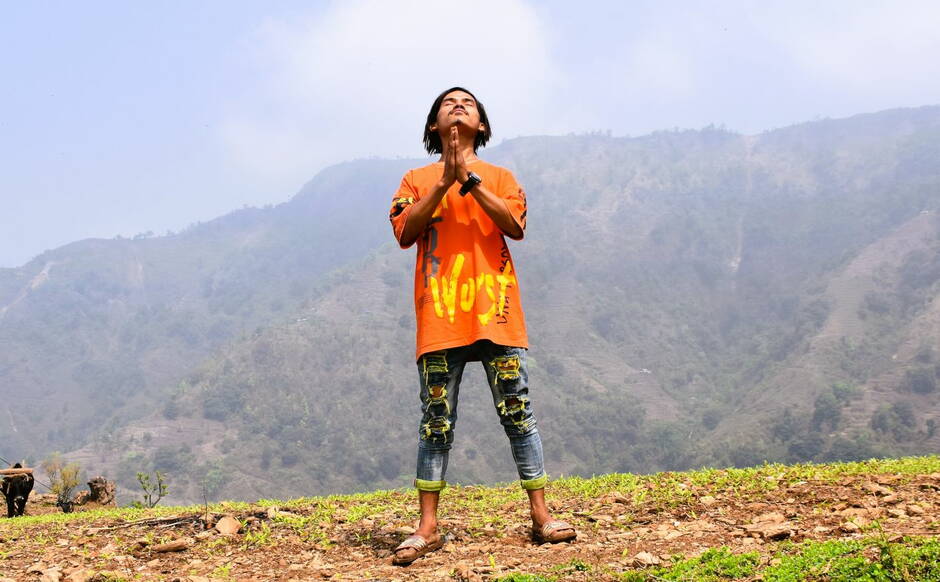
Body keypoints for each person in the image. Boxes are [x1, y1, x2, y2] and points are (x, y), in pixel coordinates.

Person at [387, 87, 576, 566]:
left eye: (468, 102)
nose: (457, 106)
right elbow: (406, 232)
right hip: (440, 317)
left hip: (497, 313)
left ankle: (541, 516)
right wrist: (443, 182)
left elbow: (515, 225)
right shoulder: (414, 178)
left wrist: (467, 180)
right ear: (433, 125)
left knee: (518, 413)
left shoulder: (500, 177)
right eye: (447, 103)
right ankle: (427, 528)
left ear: (483, 126)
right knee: (435, 422)